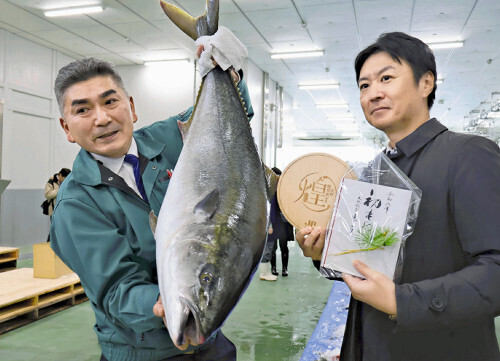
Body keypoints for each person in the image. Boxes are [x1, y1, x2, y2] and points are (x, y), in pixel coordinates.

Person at [296, 32, 500, 361]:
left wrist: (401, 301)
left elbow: (496, 270)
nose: (373, 93)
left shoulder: (468, 154)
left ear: (426, 83)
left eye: (386, 78)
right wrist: (325, 252)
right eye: (364, 86)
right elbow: (369, 261)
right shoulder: (374, 172)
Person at [49, 48, 254, 360]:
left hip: (211, 341)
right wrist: (162, 304)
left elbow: (230, 118)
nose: (102, 118)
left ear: (130, 107)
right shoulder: (75, 205)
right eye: (82, 110)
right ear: (67, 128)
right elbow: (117, 291)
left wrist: (226, 66)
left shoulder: (171, 138)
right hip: (144, 351)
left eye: (110, 101)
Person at [268, 167, 294, 277]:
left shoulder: (285, 190)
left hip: (283, 222)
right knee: (273, 247)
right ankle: (273, 268)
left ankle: (285, 269)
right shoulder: (269, 190)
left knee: (283, 246)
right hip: (273, 222)